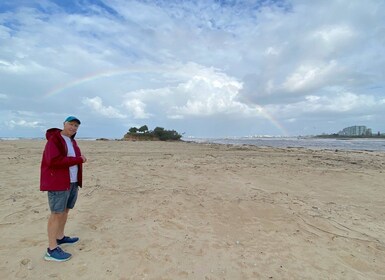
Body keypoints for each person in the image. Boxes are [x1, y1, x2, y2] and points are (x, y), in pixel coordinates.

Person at [40, 116, 87, 262]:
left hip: (71, 182)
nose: (73, 128)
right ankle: (51, 249)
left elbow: (72, 158)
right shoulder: (54, 139)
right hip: (58, 183)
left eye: (76, 126)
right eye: (71, 124)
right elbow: (54, 161)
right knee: (56, 213)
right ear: (64, 124)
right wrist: (79, 159)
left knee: (65, 210)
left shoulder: (72, 141)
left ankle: (60, 238)